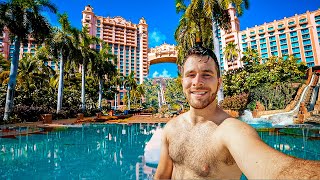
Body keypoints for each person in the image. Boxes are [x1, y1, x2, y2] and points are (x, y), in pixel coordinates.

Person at [154, 44, 320, 179]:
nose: (197, 82)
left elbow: (276, 170)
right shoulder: (171, 128)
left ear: (218, 83)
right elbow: (162, 176)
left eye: (206, 74)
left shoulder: (231, 130)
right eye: (191, 74)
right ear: (182, 81)